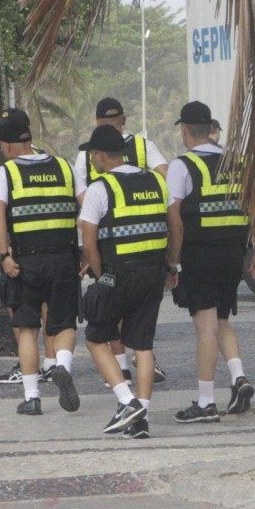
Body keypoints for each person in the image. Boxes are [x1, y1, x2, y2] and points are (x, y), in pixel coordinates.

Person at [165, 101, 255, 424]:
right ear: (211, 129)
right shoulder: (238, 162)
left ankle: (206, 402)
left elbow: (175, 219)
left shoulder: (182, 166)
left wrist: (174, 261)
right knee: (221, 319)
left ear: (184, 130)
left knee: (204, 328)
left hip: (200, 254)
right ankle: (238, 377)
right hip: (233, 254)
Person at [78, 125, 173, 437]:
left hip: (119, 272)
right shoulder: (157, 181)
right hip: (154, 271)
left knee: (95, 336)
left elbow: (89, 241)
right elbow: (176, 224)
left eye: (92, 153)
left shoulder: (100, 188)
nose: (91, 159)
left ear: (102, 155)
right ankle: (141, 417)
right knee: (143, 344)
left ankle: (127, 400)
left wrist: (98, 273)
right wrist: (173, 264)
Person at [0, 112, 81, 417]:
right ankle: (61, 366)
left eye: (2, 145)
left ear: (10, 146)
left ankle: (32, 397)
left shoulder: (7, 173)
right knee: (64, 322)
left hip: (25, 261)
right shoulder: (65, 167)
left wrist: (4, 256)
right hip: (63, 258)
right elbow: (87, 203)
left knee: (27, 328)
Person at [0, 110, 59, 386]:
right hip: (56, 253)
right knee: (48, 307)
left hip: (24, 252)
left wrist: (4, 253)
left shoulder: (11, 169)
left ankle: (35, 369)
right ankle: (52, 364)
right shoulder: (54, 163)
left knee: (23, 315)